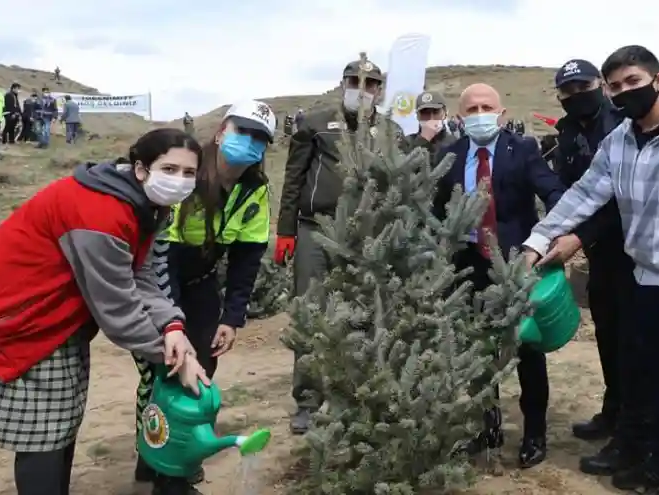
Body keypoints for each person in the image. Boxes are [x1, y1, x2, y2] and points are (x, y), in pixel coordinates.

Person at [523, 46, 659, 494]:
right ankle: (658, 468)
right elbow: (584, 195)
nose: (626, 92)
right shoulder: (620, 139)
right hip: (647, 275)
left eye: (634, 82)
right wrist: (538, 239)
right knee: (654, 380)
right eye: (617, 86)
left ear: (658, 80)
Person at [0, 128, 209, 495]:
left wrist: (172, 327)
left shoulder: (146, 204)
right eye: (169, 168)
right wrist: (176, 359)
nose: (180, 180)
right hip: (18, 319)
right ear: (140, 168)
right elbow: (118, 309)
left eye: (188, 172)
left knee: (61, 423)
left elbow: (142, 274)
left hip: (56, 318)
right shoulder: (100, 212)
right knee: (44, 435)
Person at [132, 101, 276, 494]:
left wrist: (232, 316)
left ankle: (175, 460)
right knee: (166, 368)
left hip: (204, 282)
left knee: (202, 368)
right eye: (242, 132)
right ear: (221, 131)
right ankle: (160, 466)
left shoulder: (255, 190)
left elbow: (248, 257)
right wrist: (172, 323)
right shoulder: (189, 176)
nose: (250, 143)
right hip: (163, 277)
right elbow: (164, 257)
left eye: (259, 138)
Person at [433, 83, 565, 468]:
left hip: (517, 265)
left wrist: (547, 240)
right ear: (459, 118)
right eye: (471, 108)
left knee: (527, 350)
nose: (479, 113)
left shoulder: (521, 150)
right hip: (468, 267)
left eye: (486, 106)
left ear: (502, 113)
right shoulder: (450, 156)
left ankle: (534, 434)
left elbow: (553, 193)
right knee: (477, 350)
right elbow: (436, 210)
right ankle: (485, 426)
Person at [273, 57, 403, 435]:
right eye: (354, 81)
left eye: (370, 84)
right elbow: (293, 179)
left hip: (365, 235)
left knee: (364, 315)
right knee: (311, 314)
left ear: (379, 90)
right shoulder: (314, 124)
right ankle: (308, 402)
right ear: (343, 83)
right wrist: (286, 231)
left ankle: (358, 395)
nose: (361, 89)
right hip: (316, 228)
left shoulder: (389, 131)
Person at [550, 58, 645, 476]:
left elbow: (617, 199)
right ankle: (612, 410)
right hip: (598, 255)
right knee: (607, 331)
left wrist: (578, 236)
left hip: (632, 251)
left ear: (601, 86)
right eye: (567, 92)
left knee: (632, 341)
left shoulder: (622, 126)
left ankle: (630, 429)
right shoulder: (568, 131)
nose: (576, 96)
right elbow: (573, 189)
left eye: (583, 86)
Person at [401, 91, 456, 166]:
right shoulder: (407, 142)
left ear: (445, 113)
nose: (431, 118)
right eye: (425, 113)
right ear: (417, 116)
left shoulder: (454, 142)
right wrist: (423, 140)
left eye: (436, 112)